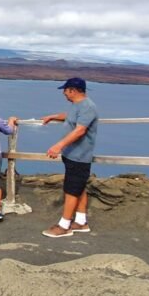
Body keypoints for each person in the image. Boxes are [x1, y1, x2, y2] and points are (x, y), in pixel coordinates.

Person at [40, 77, 99, 237]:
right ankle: (81, 222)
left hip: (79, 156)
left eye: (65, 90)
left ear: (72, 90)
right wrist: (53, 116)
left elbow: (80, 130)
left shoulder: (88, 106)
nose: (64, 94)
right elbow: (71, 116)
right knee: (78, 187)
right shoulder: (78, 105)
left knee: (71, 190)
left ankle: (64, 226)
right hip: (72, 155)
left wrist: (58, 146)